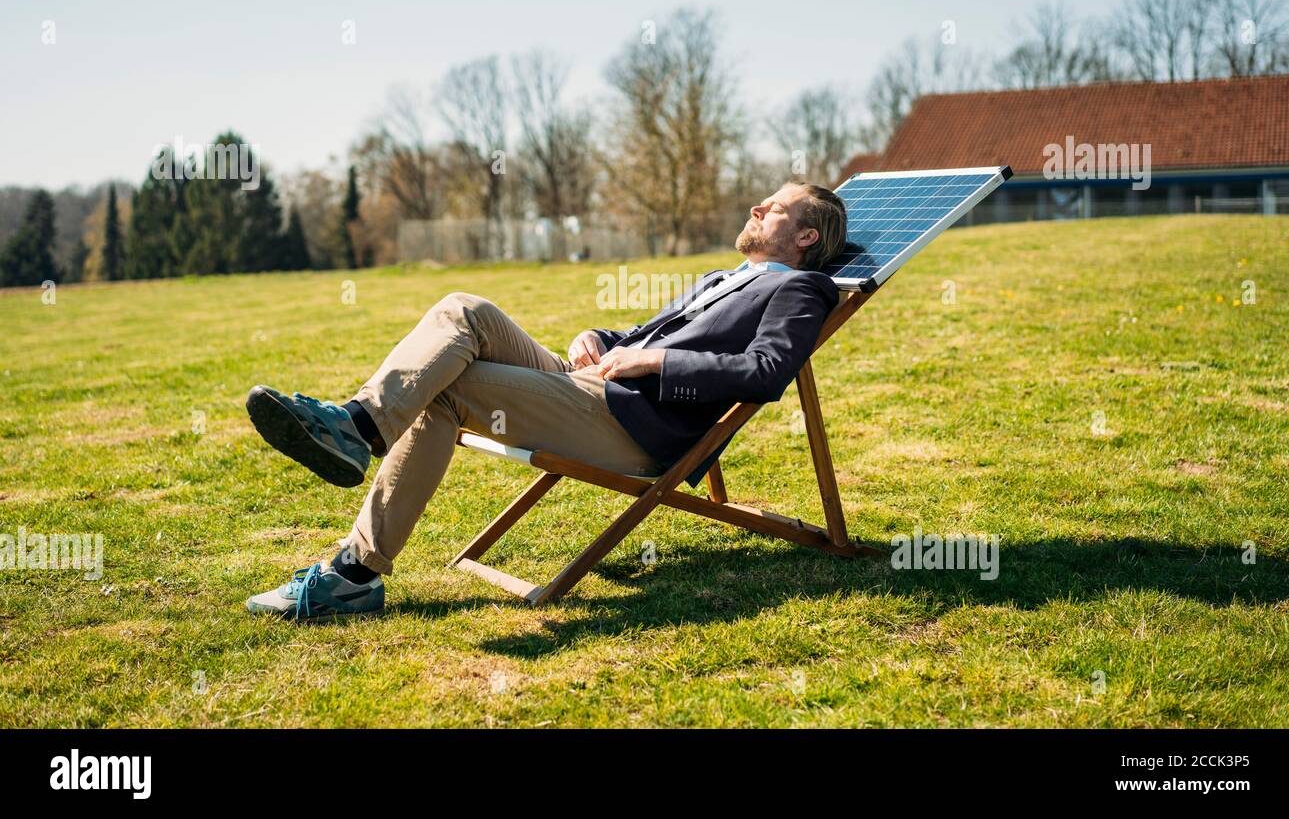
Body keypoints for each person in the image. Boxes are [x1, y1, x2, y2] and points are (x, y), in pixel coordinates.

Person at [244, 182, 847, 619]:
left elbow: (764, 372)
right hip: (592, 382)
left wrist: (652, 362)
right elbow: (645, 335)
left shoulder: (802, 288)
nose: (757, 206)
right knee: (465, 310)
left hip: (628, 423)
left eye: (774, 207)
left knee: (448, 389)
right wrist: (603, 340)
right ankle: (355, 426)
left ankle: (354, 572)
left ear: (804, 235)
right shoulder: (725, 278)